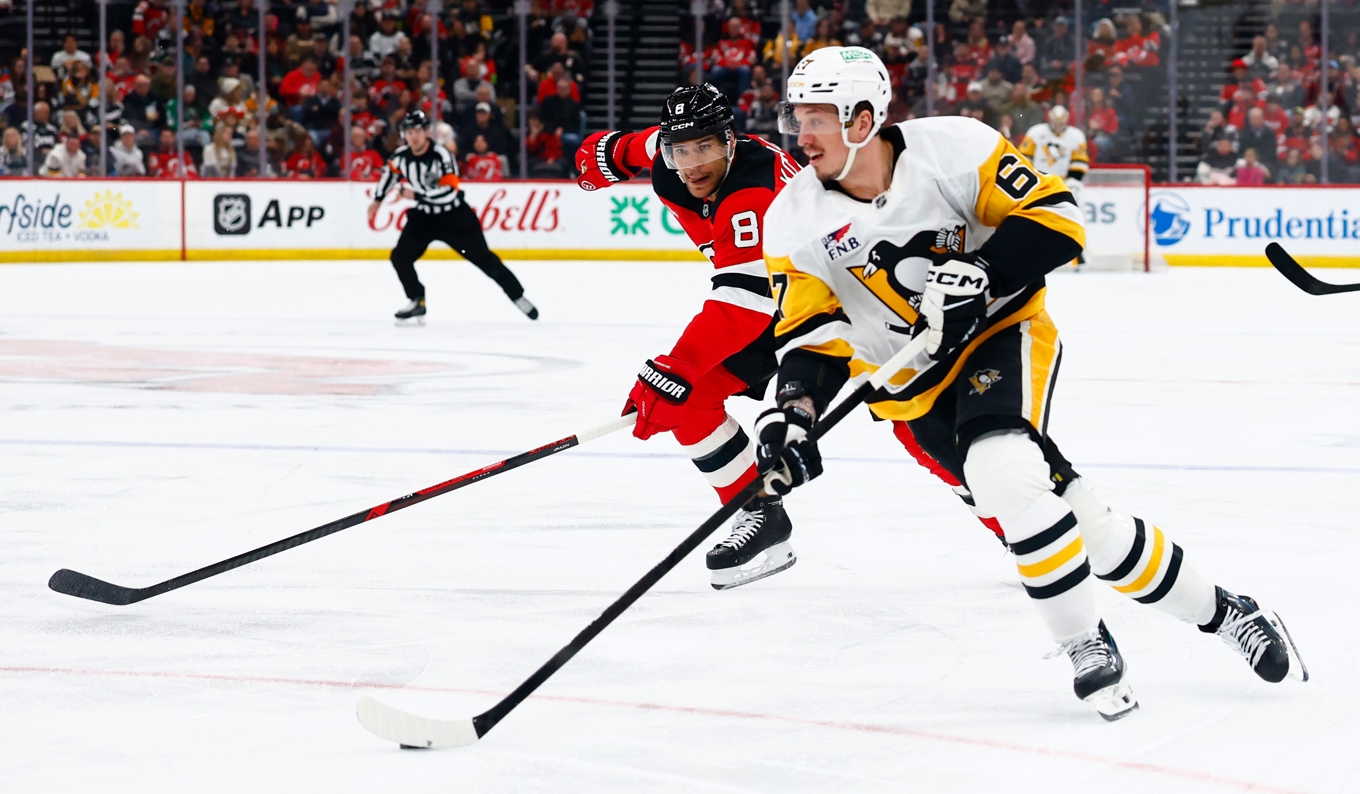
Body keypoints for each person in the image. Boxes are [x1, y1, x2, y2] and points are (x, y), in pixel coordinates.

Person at [759, 46, 1307, 720]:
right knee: (1089, 528)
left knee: (1003, 469)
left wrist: (983, 272)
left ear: (865, 118)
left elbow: (1058, 219)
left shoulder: (956, 146)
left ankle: (1083, 642)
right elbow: (809, 336)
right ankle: (1228, 613)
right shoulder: (794, 219)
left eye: (817, 118)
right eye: (797, 116)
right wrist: (793, 411)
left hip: (1001, 334)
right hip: (910, 391)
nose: (799, 134)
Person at [573, 84, 804, 589]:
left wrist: (674, 366)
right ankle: (764, 516)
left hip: (838, 299)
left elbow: (743, 301)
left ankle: (1015, 520)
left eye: (706, 148)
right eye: (681, 150)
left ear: (731, 141)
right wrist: (610, 152)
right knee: (692, 398)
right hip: (777, 299)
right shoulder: (672, 156)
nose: (693, 164)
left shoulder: (753, 191)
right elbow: (641, 145)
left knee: (922, 428)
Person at [368, 110, 537, 325]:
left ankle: (517, 296)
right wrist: (377, 200)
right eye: (408, 132)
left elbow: (450, 190)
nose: (413, 137)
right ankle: (416, 300)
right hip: (425, 218)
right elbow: (389, 174)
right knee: (400, 256)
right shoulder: (401, 156)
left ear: (427, 132)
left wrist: (417, 195)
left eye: (417, 131)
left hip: (455, 218)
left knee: (485, 260)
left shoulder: (442, 155)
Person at [1018, 105, 1089, 205]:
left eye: (1061, 122)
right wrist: (1031, 178)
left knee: (1075, 191)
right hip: (1038, 181)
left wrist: (1069, 182)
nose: (1058, 125)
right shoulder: (1035, 132)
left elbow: (1079, 164)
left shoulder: (1076, 136)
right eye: (1056, 122)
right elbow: (1024, 157)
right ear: (1050, 119)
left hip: (1063, 183)